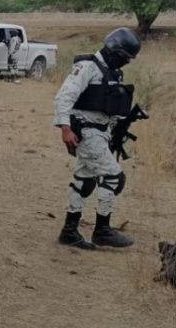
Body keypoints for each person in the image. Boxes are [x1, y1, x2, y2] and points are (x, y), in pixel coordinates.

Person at [54, 27, 141, 249]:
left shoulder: (110, 72)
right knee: (114, 177)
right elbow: (64, 97)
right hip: (86, 131)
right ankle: (102, 230)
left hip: (100, 133)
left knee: (84, 181)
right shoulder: (87, 67)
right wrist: (65, 128)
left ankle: (69, 231)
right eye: (123, 58)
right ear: (113, 50)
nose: (125, 63)